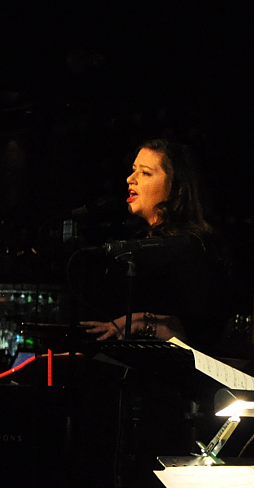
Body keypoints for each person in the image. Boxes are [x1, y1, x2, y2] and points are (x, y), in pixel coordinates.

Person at [80, 139, 230, 348]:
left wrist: (143, 322)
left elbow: (201, 331)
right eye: (133, 171)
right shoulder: (137, 242)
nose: (130, 179)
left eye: (146, 173)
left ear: (177, 187)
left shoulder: (192, 247)